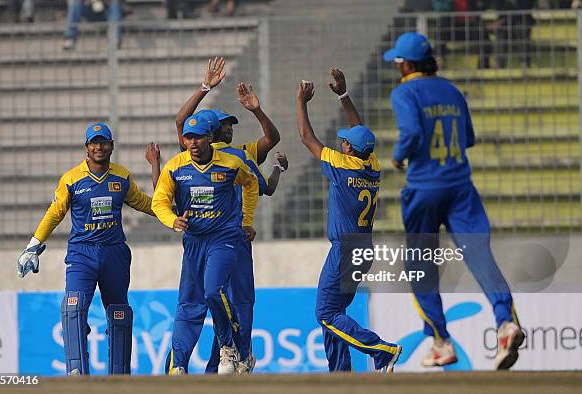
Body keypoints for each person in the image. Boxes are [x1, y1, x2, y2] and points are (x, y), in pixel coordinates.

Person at [383, 32, 524, 369]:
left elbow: (412, 133)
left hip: (423, 188)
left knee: (419, 265)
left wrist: (399, 155)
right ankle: (505, 322)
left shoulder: (404, 92)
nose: (397, 67)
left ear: (409, 64)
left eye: (399, 62)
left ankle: (441, 341)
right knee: (479, 254)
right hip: (461, 185)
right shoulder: (451, 90)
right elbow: (468, 138)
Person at [169, 56, 286, 374]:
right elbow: (181, 123)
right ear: (209, 130)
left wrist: (257, 111)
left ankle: (233, 358)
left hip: (234, 239)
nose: (229, 127)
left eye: (231, 123)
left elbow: (271, 142)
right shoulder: (194, 153)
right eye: (223, 123)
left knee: (235, 301)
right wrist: (205, 87)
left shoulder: (243, 154)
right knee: (209, 299)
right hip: (205, 239)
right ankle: (217, 359)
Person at [16, 123, 155, 375]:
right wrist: (33, 246)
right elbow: (54, 213)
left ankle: (119, 374)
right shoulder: (71, 179)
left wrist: (175, 213)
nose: (99, 147)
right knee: (73, 307)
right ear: (86, 148)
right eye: (94, 143)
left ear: (111, 146)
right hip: (82, 253)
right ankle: (76, 372)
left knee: (119, 312)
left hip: (114, 253)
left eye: (103, 142)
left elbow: (143, 203)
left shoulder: (121, 176)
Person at [296, 69, 402, 373]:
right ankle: (340, 374)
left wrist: (301, 101)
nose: (342, 143)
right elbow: (360, 129)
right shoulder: (372, 165)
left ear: (350, 150)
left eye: (345, 142)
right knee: (336, 311)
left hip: (344, 249)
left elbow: (306, 137)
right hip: (363, 248)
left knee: (326, 314)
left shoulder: (342, 166)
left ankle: (382, 351)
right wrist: (343, 95)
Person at [152, 114, 260, 375]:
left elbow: (252, 184)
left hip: (224, 239)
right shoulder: (176, 167)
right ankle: (178, 365)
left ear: (210, 138)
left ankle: (228, 348)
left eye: (198, 136)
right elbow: (159, 202)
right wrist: (173, 220)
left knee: (213, 290)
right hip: (194, 243)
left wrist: (246, 220)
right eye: (188, 137)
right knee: (188, 304)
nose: (193, 142)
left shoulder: (232, 163)